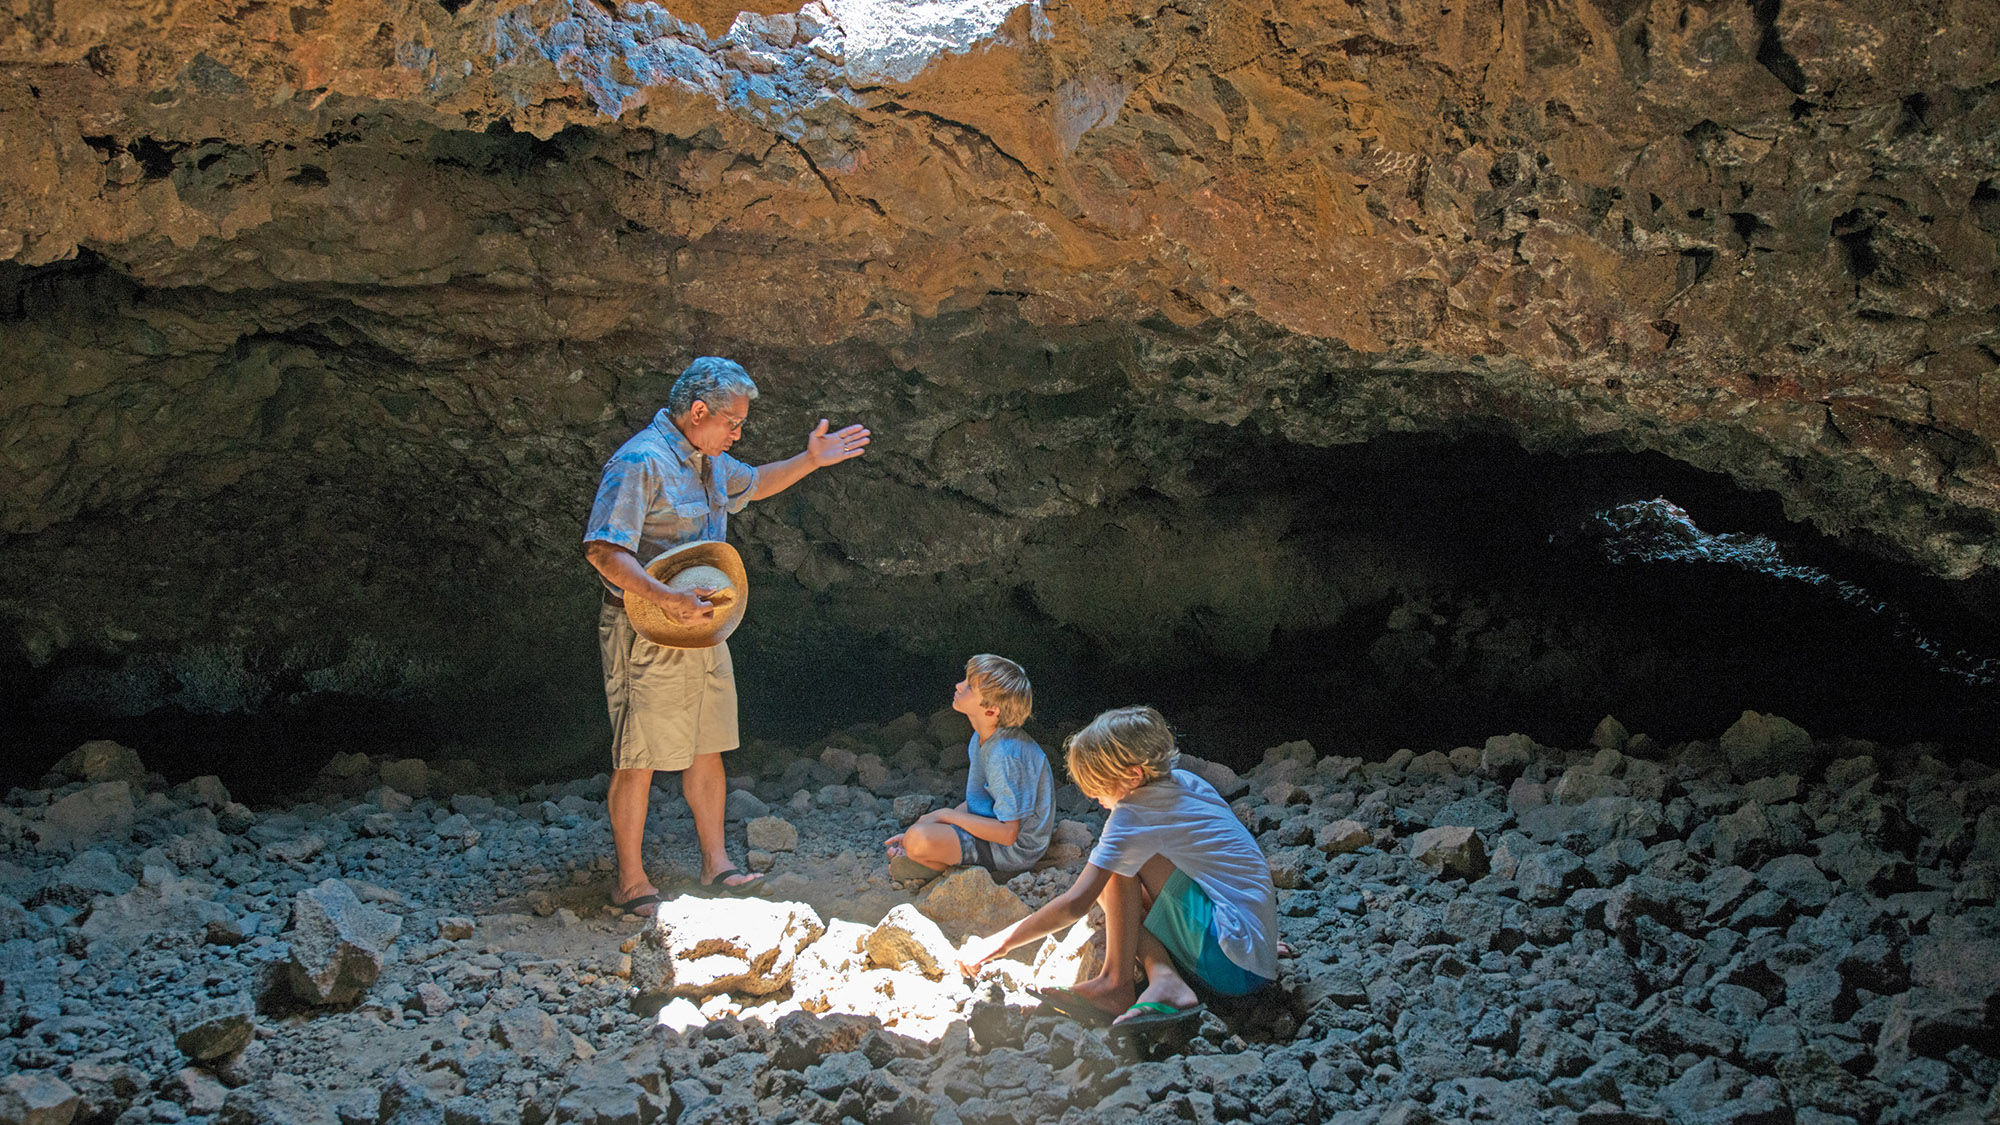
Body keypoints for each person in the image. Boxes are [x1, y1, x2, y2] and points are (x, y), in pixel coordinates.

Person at [584, 356, 870, 910]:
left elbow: (757, 482)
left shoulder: (708, 460)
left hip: (705, 626)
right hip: (647, 628)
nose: (737, 434)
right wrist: (666, 598)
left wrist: (810, 460)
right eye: (733, 423)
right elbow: (603, 550)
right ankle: (630, 881)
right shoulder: (641, 462)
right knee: (638, 756)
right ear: (698, 412)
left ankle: (716, 864)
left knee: (706, 744)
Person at [956, 705, 1279, 1033]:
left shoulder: (1134, 814)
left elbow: (1074, 904)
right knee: (1124, 882)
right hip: (1254, 953)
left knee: (1112, 872)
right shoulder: (1186, 781)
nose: (1093, 796)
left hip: (1228, 961)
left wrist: (997, 944)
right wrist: (1260, 939)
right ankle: (1165, 978)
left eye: (1097, 784)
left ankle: (1115, 983)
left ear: (1133, 776)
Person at [884, 655, 1054, 881]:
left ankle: (941, 866)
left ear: (992, 711)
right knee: (920, 830)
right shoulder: (981, 738)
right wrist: (931, 821)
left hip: (1015, 850)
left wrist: (944, 817)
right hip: (994, 830)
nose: (958, 686)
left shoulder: (1004, 754)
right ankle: (930, 858)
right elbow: (977, 802)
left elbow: (1008, 834)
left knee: (919, 838)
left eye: (969, 687)